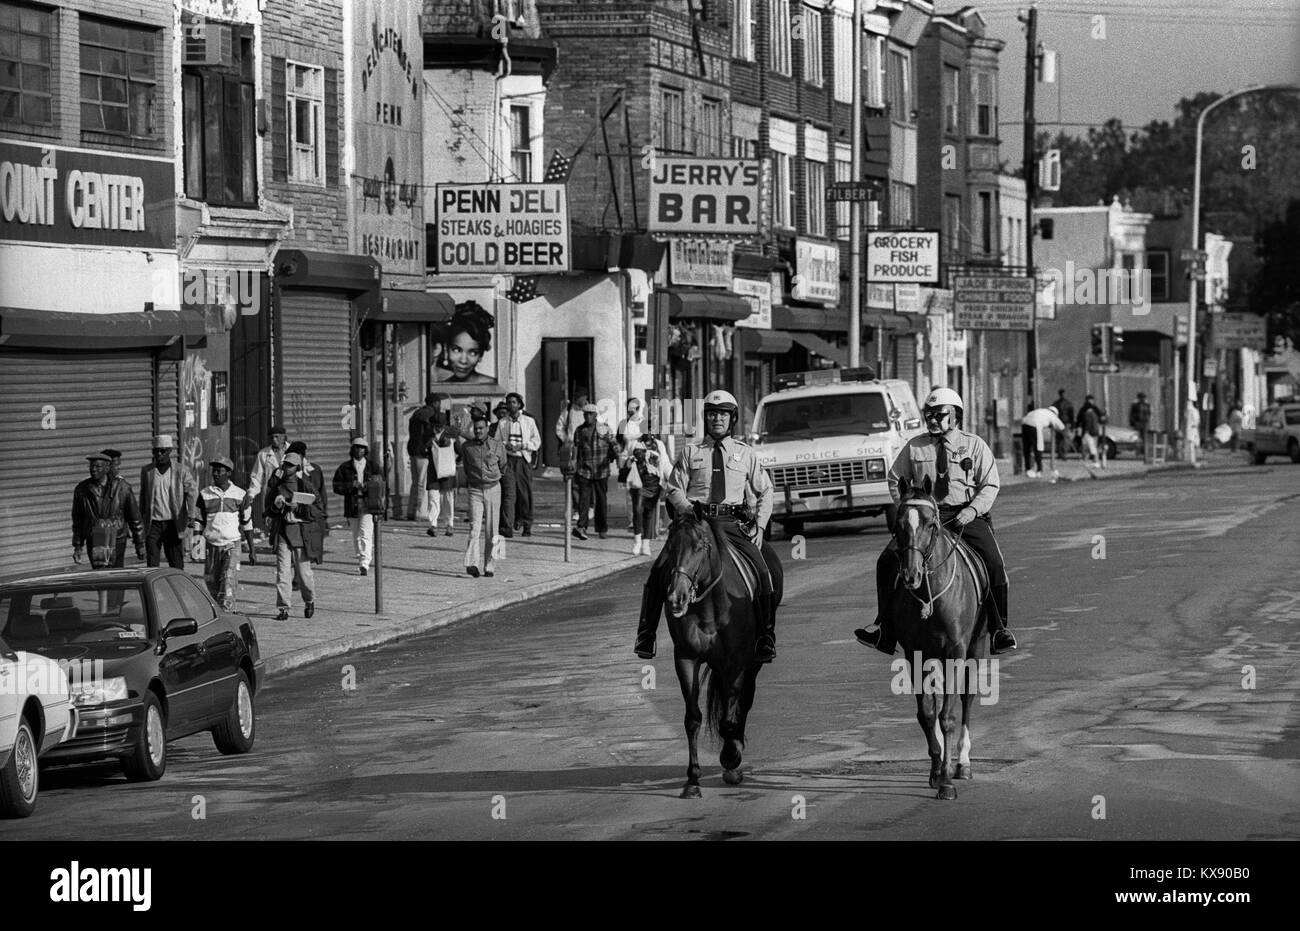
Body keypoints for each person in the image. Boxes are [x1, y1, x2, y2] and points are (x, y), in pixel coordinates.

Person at [854, 387, 1018, 656]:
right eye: (928, 415)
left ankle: (1000, 628)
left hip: (963, 515)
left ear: (956, 416)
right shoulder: (915, 446)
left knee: (994, 562)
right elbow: (895, 478)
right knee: (887, 561)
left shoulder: (974, 445)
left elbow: (990, 484)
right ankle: (883, 628)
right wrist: (909, 509)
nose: (932, 420)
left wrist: (973, 510)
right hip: (926, 519)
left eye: (939, 415)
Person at [634, 389, 781, 663]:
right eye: (712, 414)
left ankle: (765, 636)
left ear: (732, 419)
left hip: (731, 525)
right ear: (706, 418)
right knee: (660, 570)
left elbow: (766, 490)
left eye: (723, 415)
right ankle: (646, 634)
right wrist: (689, 509)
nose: (717, 419)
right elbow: (673, 489)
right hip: (695, 525)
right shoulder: (690, 452)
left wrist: (759, 527)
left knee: (764, 570)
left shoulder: (745, 454)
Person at [191, 456, 251, 611]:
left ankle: (227, 612)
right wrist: (196, 547)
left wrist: (252, 549)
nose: (215, 474)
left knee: (228, 580)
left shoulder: (240, 494)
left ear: (229, 473)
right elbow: (199, 521)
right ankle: (218, 612)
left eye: (219, 471)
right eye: (214, 470)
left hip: (232, 544)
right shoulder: (205, 494)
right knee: (212, 582)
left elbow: (247, 522)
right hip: (212, 545)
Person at [455, 406, 508, 578]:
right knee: (474, 528)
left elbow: (503, 466)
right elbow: (467, 468)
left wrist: (494, 476)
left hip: (493, 488)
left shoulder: (497, 445)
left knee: (492, 529)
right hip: (475, 490)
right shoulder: (468, 448)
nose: (478, 431)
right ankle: (472, 564)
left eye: (481, 428)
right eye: (475, 429)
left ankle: (490, 566)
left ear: (487, 428)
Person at [266, 452, 317, 620]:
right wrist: (277, 506)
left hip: (300, 534)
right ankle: (283, 608)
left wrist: (299, 508)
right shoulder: (277, 487)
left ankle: (309, 600)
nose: (287, 468)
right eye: (285, 464)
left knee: (304, 574)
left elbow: (317, 511)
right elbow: (268, 510)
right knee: (283, 572)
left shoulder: (306, 486)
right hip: (282, 532)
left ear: (297, 468)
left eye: (291, 465)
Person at [72, 452, 144, 568]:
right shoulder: (82, 490)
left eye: (98, 467)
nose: (93, 470)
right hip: (97, 537)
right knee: (102, 578)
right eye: (91, 467)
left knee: (116, 577)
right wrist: (78, 546)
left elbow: (135, 518)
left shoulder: (122, 488)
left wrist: (140, 544)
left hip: (117, 538)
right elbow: (78, 520)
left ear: (107, 468)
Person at [139, 434, 196, 569]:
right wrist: (140, 521)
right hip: (153, 524)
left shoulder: (181, 470)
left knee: (175, 562)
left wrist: (192, 514)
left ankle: (178, 589)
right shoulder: (147, 471)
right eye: (156, 451)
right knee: (152, 563)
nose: (159, 454)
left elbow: (192, 491)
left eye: (162, 451)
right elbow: (143, 498)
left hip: (173, 523)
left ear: (169, 451)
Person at [333, 438, 382, 576]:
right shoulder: (345, 467)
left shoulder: (373, 466)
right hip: (352, 504)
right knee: (356, 535)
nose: (359, 451)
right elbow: (337, 486)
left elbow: (381, 484)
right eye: (356, 448)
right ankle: (360, 557)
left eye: (361, 448)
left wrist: (368, 486)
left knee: (365, 533)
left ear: (365, 450)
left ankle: (365, 563)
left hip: (368, 504)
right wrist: (351, 486)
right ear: (352, 449)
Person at [497, 392, 541, 537]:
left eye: (514, 402)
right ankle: (506, 527)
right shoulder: (503, 422)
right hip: (508, 461)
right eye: (509, 402)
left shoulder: (529, 421)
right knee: (508, 495)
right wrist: (506, 445)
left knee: (525, 494)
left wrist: (523, 446)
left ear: (519, 404)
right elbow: (496, 442)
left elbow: (536, 441)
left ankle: (527, 524)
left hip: (523, 460)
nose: (511, 405)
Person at [572, 402, 617, 541]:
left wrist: (616, 457)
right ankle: (582, 526)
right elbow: (576, 447)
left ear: (596, 415)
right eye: (585, 414)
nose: (587, 416)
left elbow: (614, 445)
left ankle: (602, 528)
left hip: (601, 470)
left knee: (601, 500)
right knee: (584, 499)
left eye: (590, 414)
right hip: (584, 469)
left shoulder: (604, 428)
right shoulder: (580, 430)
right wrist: (573, 462)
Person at [245, 424, 289, 563]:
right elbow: (257, 477)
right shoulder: (263, 454)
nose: (274, 439)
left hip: (289, 494)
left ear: (283, 437)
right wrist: (251, 494)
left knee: (288, 525)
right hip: (271, 495)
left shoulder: (293, 451)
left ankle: (285, 557)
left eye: (277, 437)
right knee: (274, 526)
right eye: (272, 437)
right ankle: (281, 555)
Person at [628, 430, 670, 556]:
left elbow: (665, 463)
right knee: (637, 510)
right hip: (638, 481)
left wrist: (673, 479)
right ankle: (637, 542)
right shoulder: (635, 443)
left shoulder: (659, 444)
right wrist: (631, 460)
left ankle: (646, 544)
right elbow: (626, 458)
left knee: (649, 512)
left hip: (654, 482)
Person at [286, 441, 328, 566]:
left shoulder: (314, 470)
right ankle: (297, 579)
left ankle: (301, 578)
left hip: (311, 515)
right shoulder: (287, 471)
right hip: (295, 518)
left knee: (309, 550)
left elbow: (322, 495)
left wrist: (322, 515)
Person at [433, 301, 495, 383]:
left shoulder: (492, 386)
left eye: (473, 353)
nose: (463, 361)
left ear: (480, 355)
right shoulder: (439, 387)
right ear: (446, 349)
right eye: (456, 350)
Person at [99, 448, 140, 569]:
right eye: (116, 465)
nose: (119, 468)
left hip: (119, 536)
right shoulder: (92, 486)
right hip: (100, 535)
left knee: (117, 573)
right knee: (103, 575)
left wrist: (139, 542)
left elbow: (133, 515)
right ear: (108, 466)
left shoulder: (123, 486)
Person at [407, 393, 442, 522]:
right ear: (434, 403)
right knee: (422, 483)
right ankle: (420, 512)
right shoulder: (431, 414)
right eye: (438, 402)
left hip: (413, 450)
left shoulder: (416, 414)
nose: (440, 405)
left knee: (415, 482)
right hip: (423, 452)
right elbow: (430, 433)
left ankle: (411, 510)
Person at [426, 411, 458, 537]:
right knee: (433, 498)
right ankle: (433, 525)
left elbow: (459, 449)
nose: (438, 427)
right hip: (433, 472)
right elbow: (422, 448)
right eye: (436, 425)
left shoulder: (451, 434)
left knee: (448, 499)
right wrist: (430, 442)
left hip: (447, 472)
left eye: (440, 425)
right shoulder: (428, 434)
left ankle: (449, 525)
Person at [617, 397, 646, 532]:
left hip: (642, 460)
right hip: (627, 460)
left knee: (642, 489)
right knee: (629, 492)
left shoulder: (644, 422)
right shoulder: (623, 423)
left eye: (633, 408)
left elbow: (647, 438)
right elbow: (619, 441)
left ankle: (641, 518)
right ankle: (632, 520)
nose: (630, 411)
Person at [1021, 404, 1067, 477]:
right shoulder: (1052, 415)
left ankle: (1028, 469)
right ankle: (1039, 470)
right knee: (1038, 447)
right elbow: (1061, 427)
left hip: (1024, 424)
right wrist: (1065, 436)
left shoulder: (1041, 411)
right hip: (1035, 425)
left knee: (1027, 448)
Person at [1080, 402, 1105, 468]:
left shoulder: (1087, 414)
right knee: (1093, 447)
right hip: (1095, 432)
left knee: (1088, 447)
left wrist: (1086, 431)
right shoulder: (1095, 414)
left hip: (1090, 433)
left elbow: (1088, 423)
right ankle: (1095, 462)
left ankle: (1092, 462)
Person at [1052, 390, 1074, 458]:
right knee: (1059, 439)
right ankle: (1060, 453)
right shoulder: (1057, 403)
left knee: (1064, 439)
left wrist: (1072, 424)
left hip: (1065, 423)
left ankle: (1063, 453)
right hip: (1060, 422)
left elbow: (1071, 414)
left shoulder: (1067, 404)